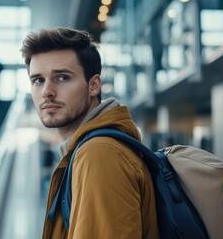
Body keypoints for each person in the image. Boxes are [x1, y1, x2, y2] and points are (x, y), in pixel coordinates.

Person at [21, 27, 159, 239]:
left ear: (94, 85)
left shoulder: (99, 154)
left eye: (62, 78)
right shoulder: (91, 149)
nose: (47, 91)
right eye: (38, 80)